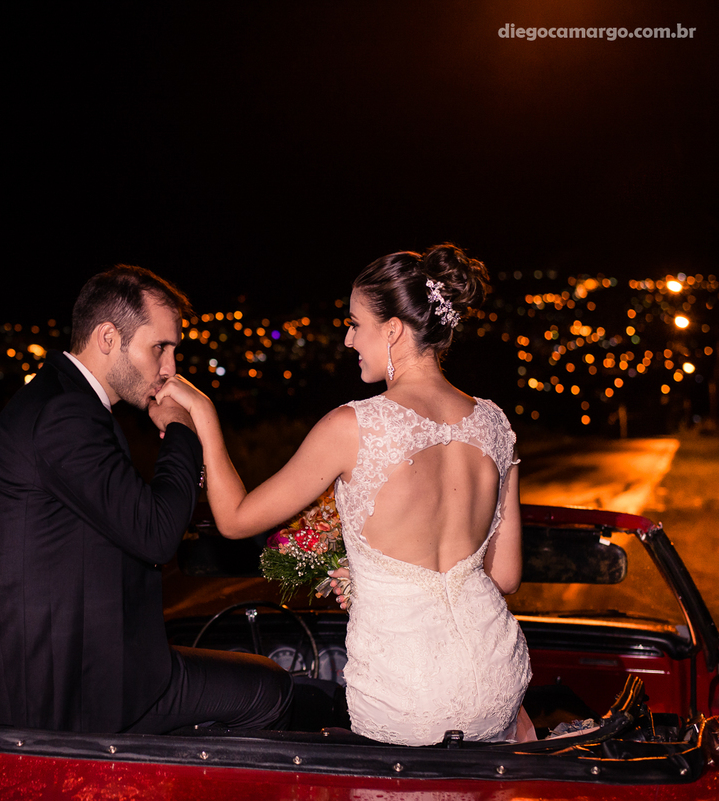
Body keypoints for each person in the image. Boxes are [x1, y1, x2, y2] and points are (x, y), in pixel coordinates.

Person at [156, 244, 535, 746]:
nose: (348, 338)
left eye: (356, 324)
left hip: (408, 697)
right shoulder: (494, 424)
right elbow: (504, 576)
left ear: (393, 329)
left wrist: (204, 416)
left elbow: (235, 519)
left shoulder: (353, 426)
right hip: (498, 680)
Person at [0, 264, 292, 734]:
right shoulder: (65, 414)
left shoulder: (62, 400)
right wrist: (181, 428)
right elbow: (157, 533)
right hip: (68, 693)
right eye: (159, 347)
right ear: (108, 337)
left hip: (87, 668)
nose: (170, 368)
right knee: (269, 691)